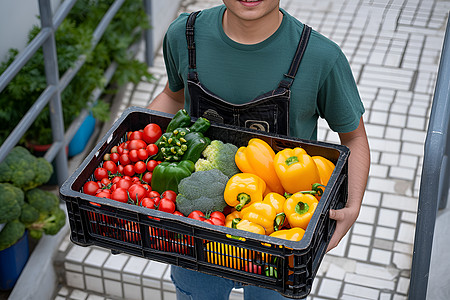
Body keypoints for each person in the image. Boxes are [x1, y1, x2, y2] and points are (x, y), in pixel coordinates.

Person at [147, 1, 370, 299]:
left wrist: (352, 206)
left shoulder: (320, 57)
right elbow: (172, 97)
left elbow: (353, 138)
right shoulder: (183, 35)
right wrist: (138, 153)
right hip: (196, 231)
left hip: (280, 235)